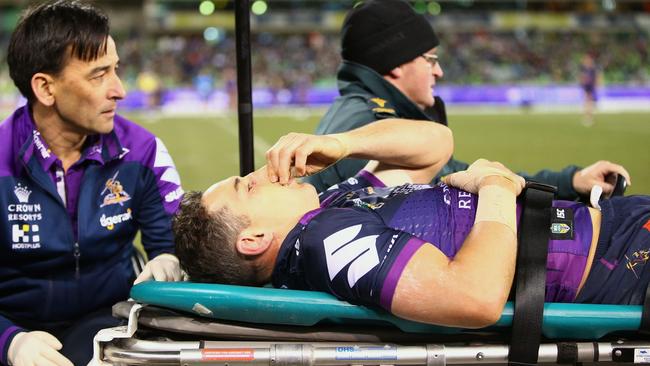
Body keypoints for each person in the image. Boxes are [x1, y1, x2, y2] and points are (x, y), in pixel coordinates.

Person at [173, 118, 650, 330]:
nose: (264, 173)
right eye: (249, 186)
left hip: (617, 232)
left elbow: (435, 145)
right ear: (254, 240)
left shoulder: (334, 207)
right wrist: (497, 186)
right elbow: (474, 297)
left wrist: (341, 144)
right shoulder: (324, 241)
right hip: (620, 261)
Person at [0, 1, 185, 365]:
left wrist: (170, 257)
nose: (119, 90)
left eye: (115, 70)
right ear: (45, 88)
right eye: (98, 75)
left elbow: (171, 242)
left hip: (105, 318)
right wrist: (9, 342)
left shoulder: (143, 152)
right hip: (12, 322)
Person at [305, 0, 630, 201]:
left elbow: (458, 172)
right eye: (430, 59)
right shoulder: (374, 130)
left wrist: (570, 181)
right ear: (395, 65)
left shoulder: (362, 116)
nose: (440, 71)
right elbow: (460, 190)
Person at [579, 53, 598, 126]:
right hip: (586, 86)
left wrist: (595, 85)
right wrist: (582, 83)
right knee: (587, 102)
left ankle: (589, 118)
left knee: (588, 102)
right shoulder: (584, 68)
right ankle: (587, 117)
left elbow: (595, 78)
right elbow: (582, 77)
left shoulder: (592, 69)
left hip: (590, 86)